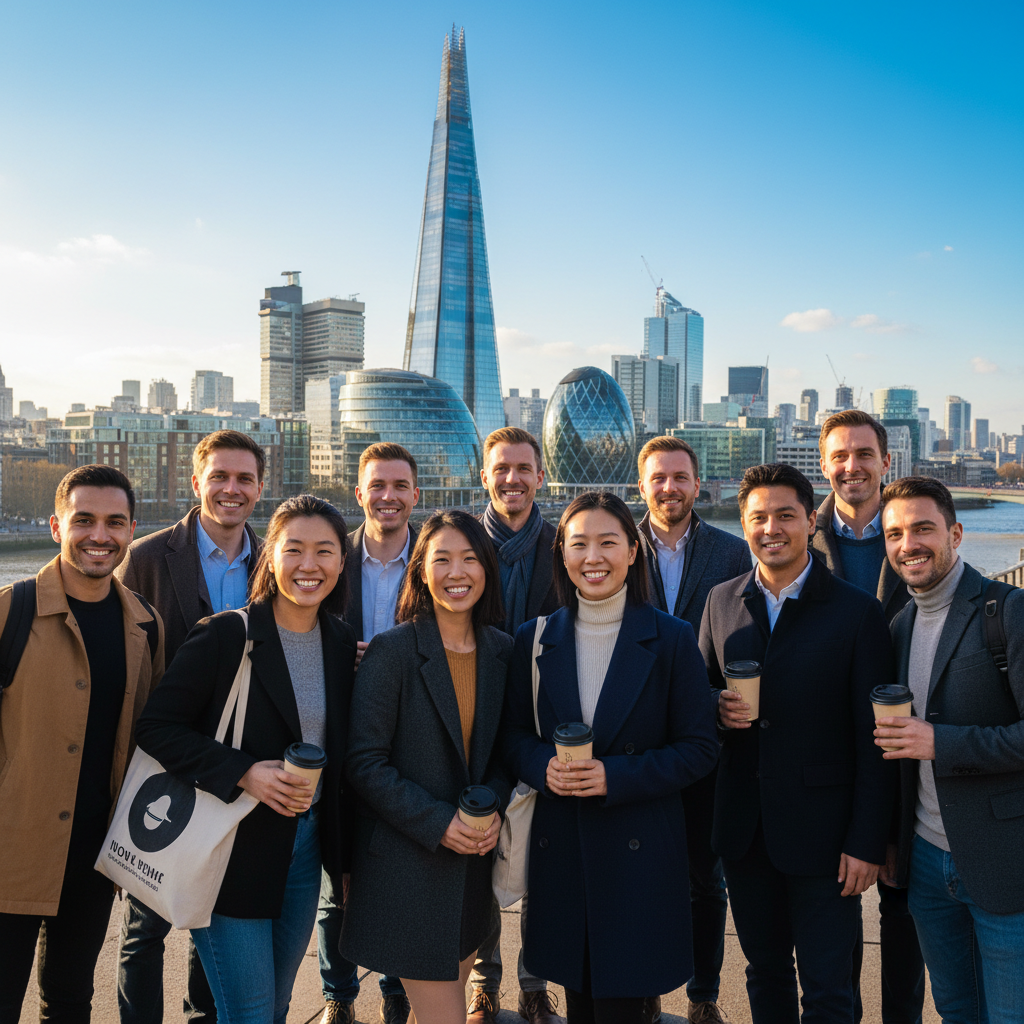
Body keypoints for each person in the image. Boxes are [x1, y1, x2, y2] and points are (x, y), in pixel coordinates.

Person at [135, 495, 357, 1024]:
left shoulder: (340, 641)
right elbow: (155, 727)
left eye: (325, 551)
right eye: (294, 549)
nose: (310, 565)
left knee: (276, 1006)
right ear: (269, 557)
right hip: (230, 844)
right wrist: (242, 772)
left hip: (305, 850)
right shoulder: (226, 635)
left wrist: (345, 859)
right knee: (250, 1013)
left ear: (341, 563)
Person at [503, 491, 719, 1024]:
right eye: (579, 544)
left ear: (632, 552)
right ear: (562, 554)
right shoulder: (535, 638)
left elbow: (699, 749)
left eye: (608, 542)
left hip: (640, 855)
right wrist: (541, 766)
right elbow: (512, 737)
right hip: (564, 851)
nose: (592, 557)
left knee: (625, 1006)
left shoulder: (671, 638)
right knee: (580, 1001)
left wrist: (614, 775)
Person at [700, 463, 898, 1023]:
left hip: (827, 837)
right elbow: (697, 693)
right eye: (758, 517)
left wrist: (866, 841)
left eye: (786, 515)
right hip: (743, 829)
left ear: (811, 520)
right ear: (743, 525)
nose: (772, 528)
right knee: (763, 973)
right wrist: (715, 708)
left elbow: (875, 739)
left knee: (830, 989)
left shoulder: (856, 612)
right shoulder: (720, 601)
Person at [0, 465, 164, 1024]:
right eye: (84, 520)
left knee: (70, 1003)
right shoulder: (9, 611)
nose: (101, 535)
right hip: (10, 850)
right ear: (55, 526)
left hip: (95, 857)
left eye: (115, 522)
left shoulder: (147, 625)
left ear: (131, 530)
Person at [115, 429, 266, 1024]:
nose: (232, 489)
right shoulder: (149, 558)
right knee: (145, 920)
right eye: (220, 477)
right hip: (165, 758)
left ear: (259, 486)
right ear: (196, 482)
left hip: (239, 767)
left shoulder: (272, 558)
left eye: (245, 479)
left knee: (215, 914)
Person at [340, 509, 512, 1024]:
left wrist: (493, 808)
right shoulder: (392, 650)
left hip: (473, 871)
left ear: (487, 568)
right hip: (409, 869)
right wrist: (440, 823)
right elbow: (364, 763)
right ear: (419, 571)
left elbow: (506, 752)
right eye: (442, 559)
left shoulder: (503, 651)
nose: (457, 572)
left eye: (469, 559)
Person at [877, 476, 1024, 1024]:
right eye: (895, 533)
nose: (907, 544)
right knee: (956, 1011)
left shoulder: (1007, 612)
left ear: (955, 534)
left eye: (922, 528)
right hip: (925, 862)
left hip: (1004, 862)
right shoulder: (900, 626)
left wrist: (940, 743)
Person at [812, 410, 924, 1024]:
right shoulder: (800, 535)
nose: (850, 467)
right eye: (839, 456)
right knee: (835, 915)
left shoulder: (913, 532)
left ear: (886, 462)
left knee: (904, 912)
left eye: (863, 454)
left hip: (907, 750)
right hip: (832, 755)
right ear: (823, 464)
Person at [635, 436, 750, 1024]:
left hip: (708, 741)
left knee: (707, 881)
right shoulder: (616, 546)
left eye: (680, 477)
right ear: (642, 485)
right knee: (643, 877)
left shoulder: (733, 554)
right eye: (658, 478)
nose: (669, 488)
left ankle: (704, 995)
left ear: (697, 485)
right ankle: (647, 987)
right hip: (633, 744)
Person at [318, 443, 420, 1024]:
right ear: (359, 493)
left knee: (398, 875)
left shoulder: (435, 557)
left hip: (408, 736)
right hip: (337, 731)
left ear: (414, 494)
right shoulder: (332, 557)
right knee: (339, 882)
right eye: (376, 485)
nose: (388, 496)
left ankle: (397, 994)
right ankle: (338, 995)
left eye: (399, 486)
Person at [474, 426, 561, 1024]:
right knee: (477, 857)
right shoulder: (456, 542)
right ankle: (485, 981)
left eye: (523, 468)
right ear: (486, 476)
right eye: (501, 468)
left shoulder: (562, 545)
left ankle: (535, 981)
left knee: (539, 859)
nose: (512, 479)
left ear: (539, 476)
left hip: (544, 724)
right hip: (471, 721)